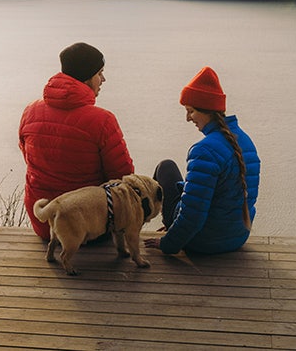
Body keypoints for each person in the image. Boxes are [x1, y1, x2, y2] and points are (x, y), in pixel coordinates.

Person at [19, 42, 135, 240]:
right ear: (87, 78)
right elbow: (122, 177)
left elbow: (28, 157)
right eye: (100, 73)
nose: (103, 79)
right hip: (88, 228)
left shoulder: (30, 111)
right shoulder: (102, 120)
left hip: (44, 224)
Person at [145, 66, 260, 255]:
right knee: (188, 186)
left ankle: (150, 226)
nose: (187, 118)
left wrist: (168, 244)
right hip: (237, 237)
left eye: (190, 111)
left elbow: (193, 215)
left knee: (165, 167)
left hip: (203, 241)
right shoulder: (246, 141)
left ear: (207, 110)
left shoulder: (204, 150)